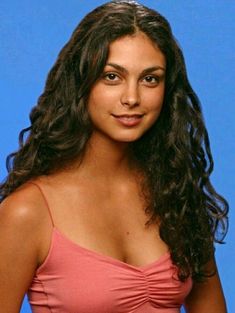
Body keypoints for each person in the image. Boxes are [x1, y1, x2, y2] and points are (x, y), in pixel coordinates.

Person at [0, 1, 229, 312]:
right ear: (81, 83)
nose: (131, 98)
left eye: (150, 79)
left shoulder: (175, 193)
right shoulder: (29, 211)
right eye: (112, 76)